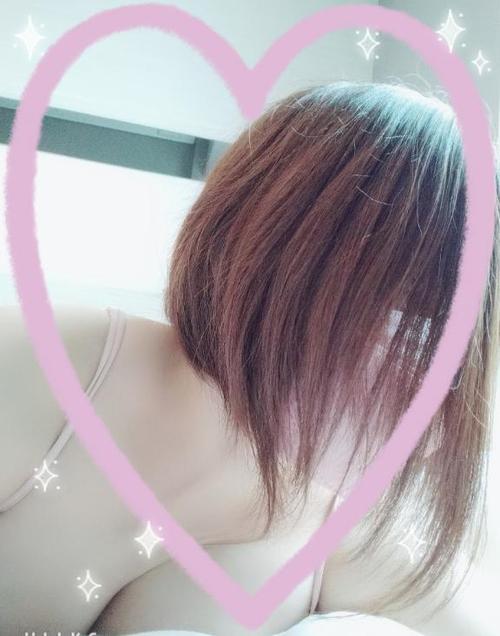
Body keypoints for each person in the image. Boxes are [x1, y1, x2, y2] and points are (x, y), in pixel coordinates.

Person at [0, 81, 498, 636]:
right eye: (414, 329)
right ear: (276, 261)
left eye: (456, 359)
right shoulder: (45, 368)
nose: (432, 414)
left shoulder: (341, 531)